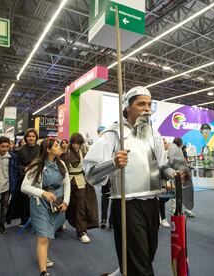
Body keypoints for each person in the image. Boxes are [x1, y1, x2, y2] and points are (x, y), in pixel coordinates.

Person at [83, 86, 178, 275]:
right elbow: (91, 173)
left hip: (152, 202)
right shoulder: (113, 133)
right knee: (140, 264)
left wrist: (172, 173)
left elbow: (161, 165)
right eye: (141, 104)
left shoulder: (154, 134)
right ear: (127, 107)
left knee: (146, 255)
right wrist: (113, 163)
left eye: (149, 104)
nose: (147, 108)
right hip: (127, 204)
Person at [21, 138, 71, 276]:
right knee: (43, 237)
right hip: (40, 205)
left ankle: (43, 255)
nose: (60, 147)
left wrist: (66, 201)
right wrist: (42, 193)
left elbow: (67, 183)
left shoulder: (61, 164)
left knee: (49, 234)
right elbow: (24, 187)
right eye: (56, 146)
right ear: (48, 150)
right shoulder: (37, 165)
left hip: (57, 204)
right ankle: (43, 272)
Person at [62, 133, 98, 243]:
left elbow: (88, 167)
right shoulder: (65, 153)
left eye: (78, 143)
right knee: (66, 204)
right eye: (74, 143)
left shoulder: (83, 152)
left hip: (81, 182)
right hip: (67, 182)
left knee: (80, 206)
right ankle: (60, 222)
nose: (76, 146)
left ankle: (81, 231)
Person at [7, 128, 40, 226]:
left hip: (38, 178)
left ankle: (37, 220)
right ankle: (24, 219)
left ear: (36, 138)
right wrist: (24, 168)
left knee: (36, 199)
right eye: (29, 136)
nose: (31, 138)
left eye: (33, 136)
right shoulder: (19, 150)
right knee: (23, 200)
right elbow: (17, 165)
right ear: (26, 138)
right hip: (23, 178)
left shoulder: (40, 149)